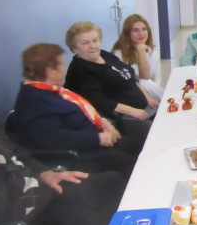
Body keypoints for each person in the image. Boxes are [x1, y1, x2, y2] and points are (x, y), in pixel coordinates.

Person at [0, 109, 125, 225]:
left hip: (36, 193)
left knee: (110, 182)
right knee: (91, 218)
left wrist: (45, 173)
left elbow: (15, 152)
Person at [12, 43, 140, 180]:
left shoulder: (50, 90)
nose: (64, 68)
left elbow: (83, 108)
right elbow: (53, 138)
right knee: (134, 166)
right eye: (61, 65)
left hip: (97, 138)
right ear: (49, 71)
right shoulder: (33, 101)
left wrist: (104, 123)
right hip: (84, 153)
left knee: (140, 146)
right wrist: (98, 139)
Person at [63, 21, 155, 141]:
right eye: (85, 43)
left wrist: (147, 96)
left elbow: (128, 76)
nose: (92, 46)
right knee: (156, 132)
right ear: (75, 48)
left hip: (143, 107)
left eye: (95, 40)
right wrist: (134, 112)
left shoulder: (104, 55)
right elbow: (101, 102)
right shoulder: (79, 70)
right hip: (121, 118)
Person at [112, 14, 164, 101]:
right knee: (144, 82)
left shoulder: (154, 50)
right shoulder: (119, 54)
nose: (141, 33)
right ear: (128, 34)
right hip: (131, 95)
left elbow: (157, 78)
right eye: (135, 30)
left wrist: (153, 94)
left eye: (144, 29)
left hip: (151, 92)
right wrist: (141, 51)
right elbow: (144, 78)